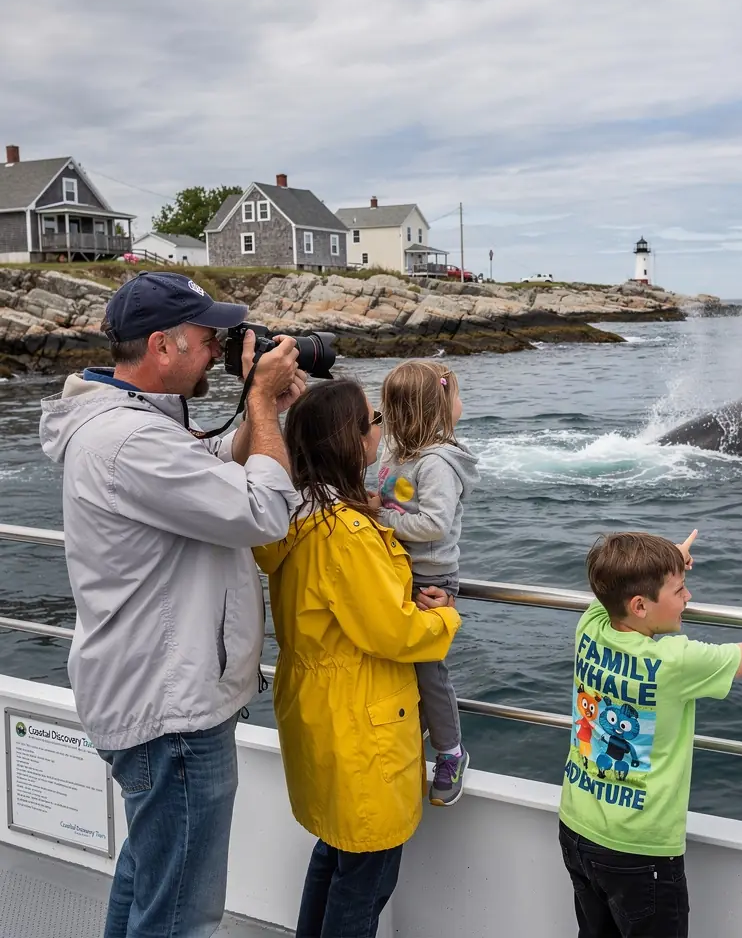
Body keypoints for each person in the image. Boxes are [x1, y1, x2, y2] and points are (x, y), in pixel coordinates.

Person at [38, 271, 304, 938]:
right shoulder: (129, 441)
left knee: (148, 875)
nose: (218, 348)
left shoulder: (128, 425)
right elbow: (263, 509)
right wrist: (266, 406)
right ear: (163, 345)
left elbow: (209, 464)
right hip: (171, 711)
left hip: (149, 692)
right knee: (182, 913)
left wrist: (253, 410)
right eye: (207, 338)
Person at [253, 377, 460, 938]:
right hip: (361, 722)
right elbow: (392, 632)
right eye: (374, 422)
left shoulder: (296, 515)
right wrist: (444, 616)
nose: (380, 431)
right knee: (366, 874)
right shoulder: (347, 533)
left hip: (319, 710)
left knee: (336, 852)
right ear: (351, 441)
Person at [558, 530, 742, 938]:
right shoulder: (675, 660)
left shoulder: (590, 627)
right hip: (639, 850)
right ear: (640, 605)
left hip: (578, 830)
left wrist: (670, 563)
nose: (689, 597)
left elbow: (610, 590)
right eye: (680, 589)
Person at [374, 359, 479, 805]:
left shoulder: (436, 464)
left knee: (428, 672)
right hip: (395, 571)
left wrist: (378, 518)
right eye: (455, 395)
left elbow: (434, 524)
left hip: (430, 578)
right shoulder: (395, 454)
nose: (461, 403)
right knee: (395, 667)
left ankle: (451, 751)